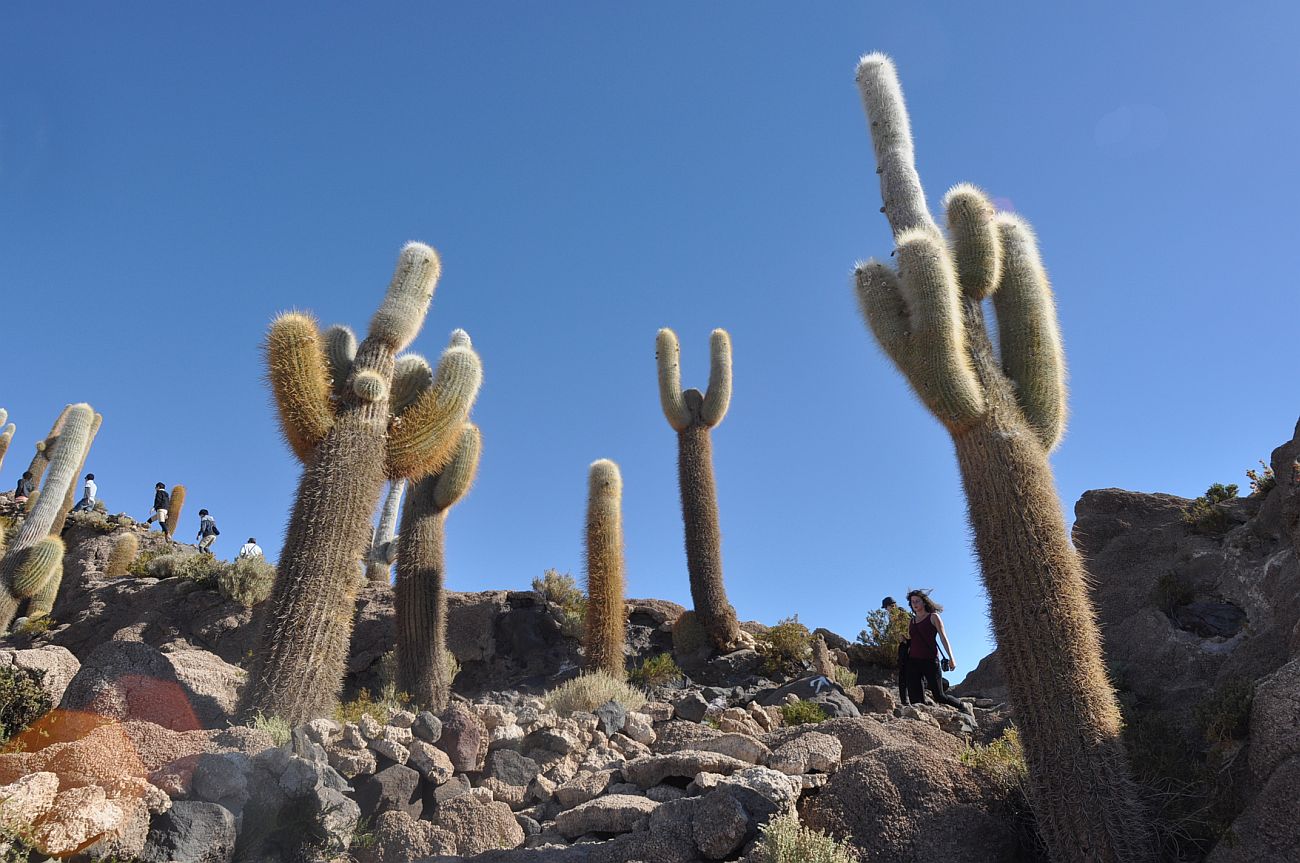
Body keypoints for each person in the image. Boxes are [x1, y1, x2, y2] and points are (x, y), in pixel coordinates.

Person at [904, 589, 966, 711]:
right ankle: (922, 719)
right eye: (912, 602)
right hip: (913, 661)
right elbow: (913, 640)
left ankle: (961, 706)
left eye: (917, 601)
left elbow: (943, 638)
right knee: (915, 696)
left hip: (930, 660)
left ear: (924, 602)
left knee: (939, 696)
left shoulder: (933, 617)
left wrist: (951, 658)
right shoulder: (911, 621)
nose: (915, 604)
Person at [882, 596, 911, 706]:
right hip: (902, 645)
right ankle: (905, 700)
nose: (886, 610)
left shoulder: (900, 613)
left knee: (908, 672)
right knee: (903, 672)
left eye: (886, 607)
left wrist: (905, 639)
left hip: (908, 644)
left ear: (891, 606)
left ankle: (911, 699)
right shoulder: (892, 616)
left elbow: (907, 628)